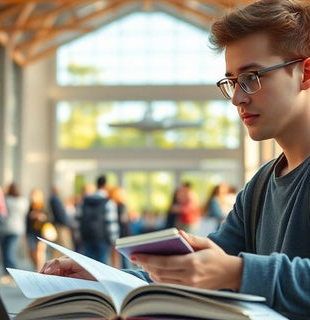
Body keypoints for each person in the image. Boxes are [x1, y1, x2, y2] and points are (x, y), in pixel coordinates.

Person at [40, 1, 310, 318]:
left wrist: (237, 273)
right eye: (231, 81)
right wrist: (103, 278)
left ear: (304, 73)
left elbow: (228, 269)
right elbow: (198, 274)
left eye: (252, 77)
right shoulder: (260, 186)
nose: (237, 97)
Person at [79, 175, 119, 264]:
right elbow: (111, 223)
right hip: (102, 238)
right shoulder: (108, 202)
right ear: (105, 185)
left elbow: (78, 219)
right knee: (102, 265)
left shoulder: (85, 201)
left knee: (88, 265)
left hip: (87, 237)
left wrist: (78, 235)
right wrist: (114, 239)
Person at [0, 183, 29, 284]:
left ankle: (12, 272)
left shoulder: (7, 200)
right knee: (10, 250)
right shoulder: (24, 201)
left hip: (7, 228)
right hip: (18, 228)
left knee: (7, 251)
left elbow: (2, 212)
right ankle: (9, 273)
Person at [26, 188, 48, 271]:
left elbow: (49, 218)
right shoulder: (31, 206)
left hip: (42, 232)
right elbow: (27, 220)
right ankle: (37, 267)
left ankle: (40, 270)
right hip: (32, 232)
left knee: (39, 252)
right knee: (31, 253)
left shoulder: (43, 205)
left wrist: (41, 217)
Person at [49, 185, 74, 258]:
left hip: (60, 225)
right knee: (63, 247)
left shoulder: (55, 199)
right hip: (60, 226)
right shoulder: (55, 199)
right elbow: (60, 215)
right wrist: (66, 224)